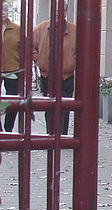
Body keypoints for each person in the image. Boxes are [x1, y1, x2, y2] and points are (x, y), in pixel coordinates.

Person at [33, 1, 76, 135]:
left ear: (66, 13)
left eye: (61, 12)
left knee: (65, 106)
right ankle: (51, 133)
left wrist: (72, 63)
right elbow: (31, 48)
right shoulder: (40, 29)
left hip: (66, 74)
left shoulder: (74, 30)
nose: (57, 15)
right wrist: (41, 62)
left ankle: (62, 135)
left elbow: (82, 51)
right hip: (48, 75)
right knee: (49, 106)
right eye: (55, 12)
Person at [2, 1, 20, 132]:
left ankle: (8, 130)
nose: (2, 13)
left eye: (5, 10)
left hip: (13, 67)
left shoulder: (16, 29)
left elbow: (25, 48)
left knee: (13, 100)